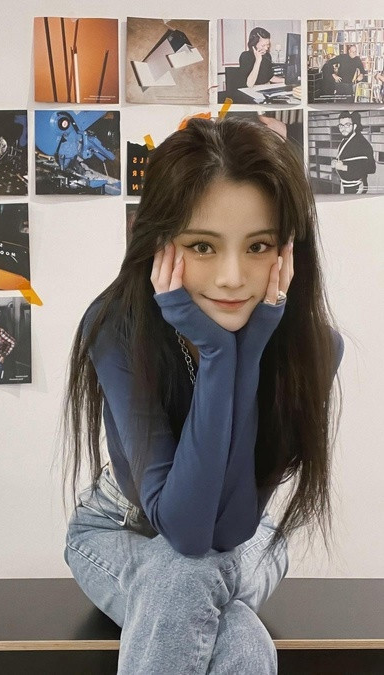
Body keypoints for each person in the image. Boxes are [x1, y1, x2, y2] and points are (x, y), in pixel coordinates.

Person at [62, 116, 343, 674]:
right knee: (225, 622)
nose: (233, 277)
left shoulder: (312, 349)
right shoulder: (117, 326)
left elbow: (229, 529)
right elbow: (186, 529)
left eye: (258, 245)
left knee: (186, 575)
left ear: (289, 251)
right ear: (160, 243)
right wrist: (219, 354)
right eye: (202, 246)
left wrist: (242, 353)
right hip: (117, 529)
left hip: (250, 540)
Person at [331, 111, 376, 194]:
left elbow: (371, 168)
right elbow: (349, 159)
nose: (343, 128)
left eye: (347, 125)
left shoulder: (362, 143)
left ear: (354, 126)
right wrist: (336, 161)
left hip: (356, 188)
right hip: (345, 185)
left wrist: (343, 167)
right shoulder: (345, 139)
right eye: (341, 125)